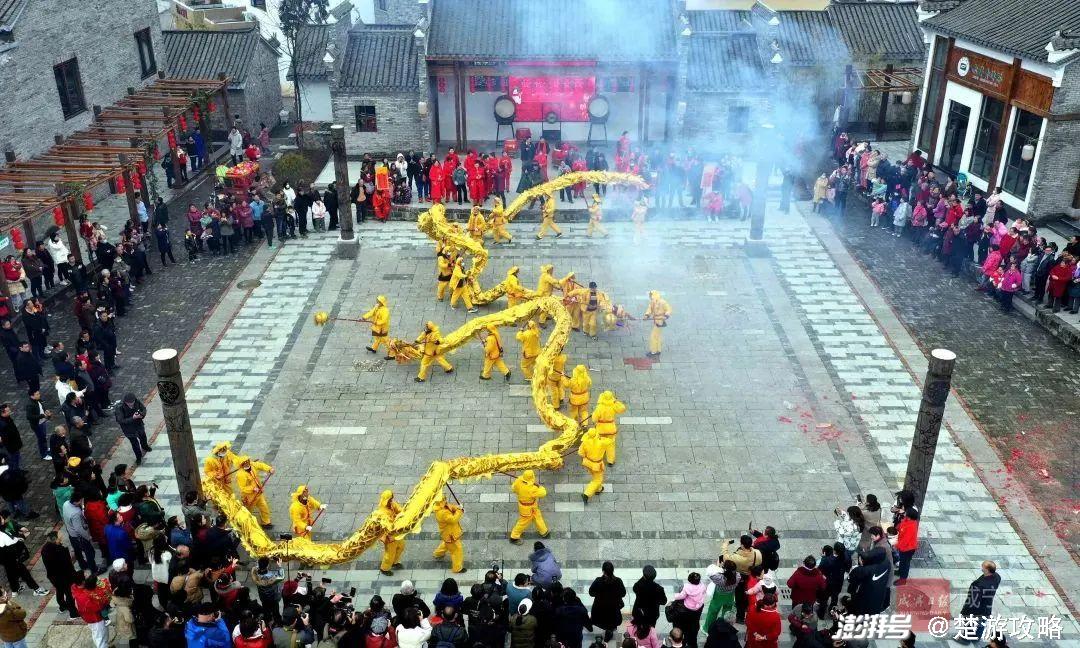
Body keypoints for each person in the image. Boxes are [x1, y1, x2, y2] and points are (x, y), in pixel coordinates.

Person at [958, 561, 1001, 643]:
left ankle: (965, 640)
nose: (981, 567)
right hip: (987, 606)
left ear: (987, 570)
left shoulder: (978, 585)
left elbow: (973, 600)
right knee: (981, 624)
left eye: (983, 566)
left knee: (970, 623)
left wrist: (965, 611)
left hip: (976, 609)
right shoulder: (997, 577)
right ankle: (976, 638)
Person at [70, 571, 111, 648]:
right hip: (96, 619)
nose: (88, 575)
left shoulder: (75, 587)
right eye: (86, 575)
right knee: (100, 638)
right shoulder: (84, 596)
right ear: (83, 581)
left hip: (91, 617)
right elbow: (98, 606)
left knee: (99, 635)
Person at [589, 561, 625, 642]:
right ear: (613, 570)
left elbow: (591, 592)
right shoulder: (618, 581)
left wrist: (599, 594)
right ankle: (609, 633)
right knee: (610, 625)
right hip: (613, 611)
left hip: (599, 610)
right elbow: (623, 593)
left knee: (599, 620)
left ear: (603, 570)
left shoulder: (598, 580)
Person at [511, 471, 549, 544]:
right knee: (523, 522)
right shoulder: (532, 488)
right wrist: (539, 486)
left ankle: (544, 531)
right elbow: (543, 493)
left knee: (537, 516)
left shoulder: (518, 481)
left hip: (526, 505)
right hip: (528, 509)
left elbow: (513, 489)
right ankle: (514, 537)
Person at [237, 455, 274, 527]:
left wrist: (269, 469)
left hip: (258, 493)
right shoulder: (240, 475)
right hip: (249, 496)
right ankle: (244, 524)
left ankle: (266, 522)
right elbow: (243, 488)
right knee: (248, 510)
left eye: (247, 461)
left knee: (264, 507)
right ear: (242, 464)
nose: (247, 463)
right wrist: (252, 488)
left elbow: (260, 465)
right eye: (245, 462)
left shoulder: (252, 465)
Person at [591, 390, 626, 465]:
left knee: (599, 443)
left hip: (601, 429)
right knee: (611, 444)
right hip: (611, 428)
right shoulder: (613, 406)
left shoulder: (599, 407)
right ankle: (610, 460)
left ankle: (598, 457)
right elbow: (622, 408)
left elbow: (594, 419)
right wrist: (616, 401)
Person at [114, 393, 152, 464]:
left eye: (132, 403)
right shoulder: (119, 408)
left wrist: (141, 415)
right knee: (135, 444)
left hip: (139, 425)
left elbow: (143, 409)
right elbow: (120, 420)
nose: (131, 405)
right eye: (129, 403)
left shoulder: (136, 401)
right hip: (129, 429)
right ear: (125, 402)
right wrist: (133, 418)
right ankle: (138, 457)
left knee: (143, 437)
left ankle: (145, 447)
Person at [433, 494, 465, 574]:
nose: (445, 500)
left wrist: (457, 507)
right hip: (450, 534)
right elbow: (453, 519)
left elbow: (451, 507)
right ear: (440, 502)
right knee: (457, 550)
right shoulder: (442, 513)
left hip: (448, 533)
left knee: (447, 544)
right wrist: (459, 511)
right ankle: (457, 568)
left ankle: (438, 553)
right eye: (444, 499)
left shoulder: (442, 507)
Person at [672, 572, 706, 648]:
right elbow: (703, 593)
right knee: (694, 625)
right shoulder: (702, 586)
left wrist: (675, 596)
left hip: (689, 607)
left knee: (687, 624)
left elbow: (682, 596)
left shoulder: (687, 587)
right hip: (698, 606)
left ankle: (684, 643)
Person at [578, 427, 611, 503]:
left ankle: (599, 489)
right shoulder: (601, 443)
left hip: (588, 463)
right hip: (596, 465)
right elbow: (610, 441)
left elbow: (581, 453)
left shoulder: (585, 442)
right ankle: (586, 494)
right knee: (598, 480)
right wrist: (602, 437)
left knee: (595, 476)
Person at [377, 489, 406, 575]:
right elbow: (386, 526)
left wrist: (403, 513)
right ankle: (384, 568)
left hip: (396, 533)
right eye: (390, 499)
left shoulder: (392, 504)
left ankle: (394, 562)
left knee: (401, 547)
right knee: (390, 553)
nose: (391, 501)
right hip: (389, 536)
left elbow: (399, 509)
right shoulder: (382, 513)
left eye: (391, 499)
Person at [643, 291, 671, 358]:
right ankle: (658, 350)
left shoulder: (662, 302)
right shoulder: (653, 302)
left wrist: (666, 316)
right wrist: (647, 315)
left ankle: (653, 351)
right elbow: (650, 309)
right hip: (657, 320)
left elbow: (668, 309)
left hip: (660, 321)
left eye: (650, 296)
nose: (650, 297)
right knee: (658, 336)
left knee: (653, 336)